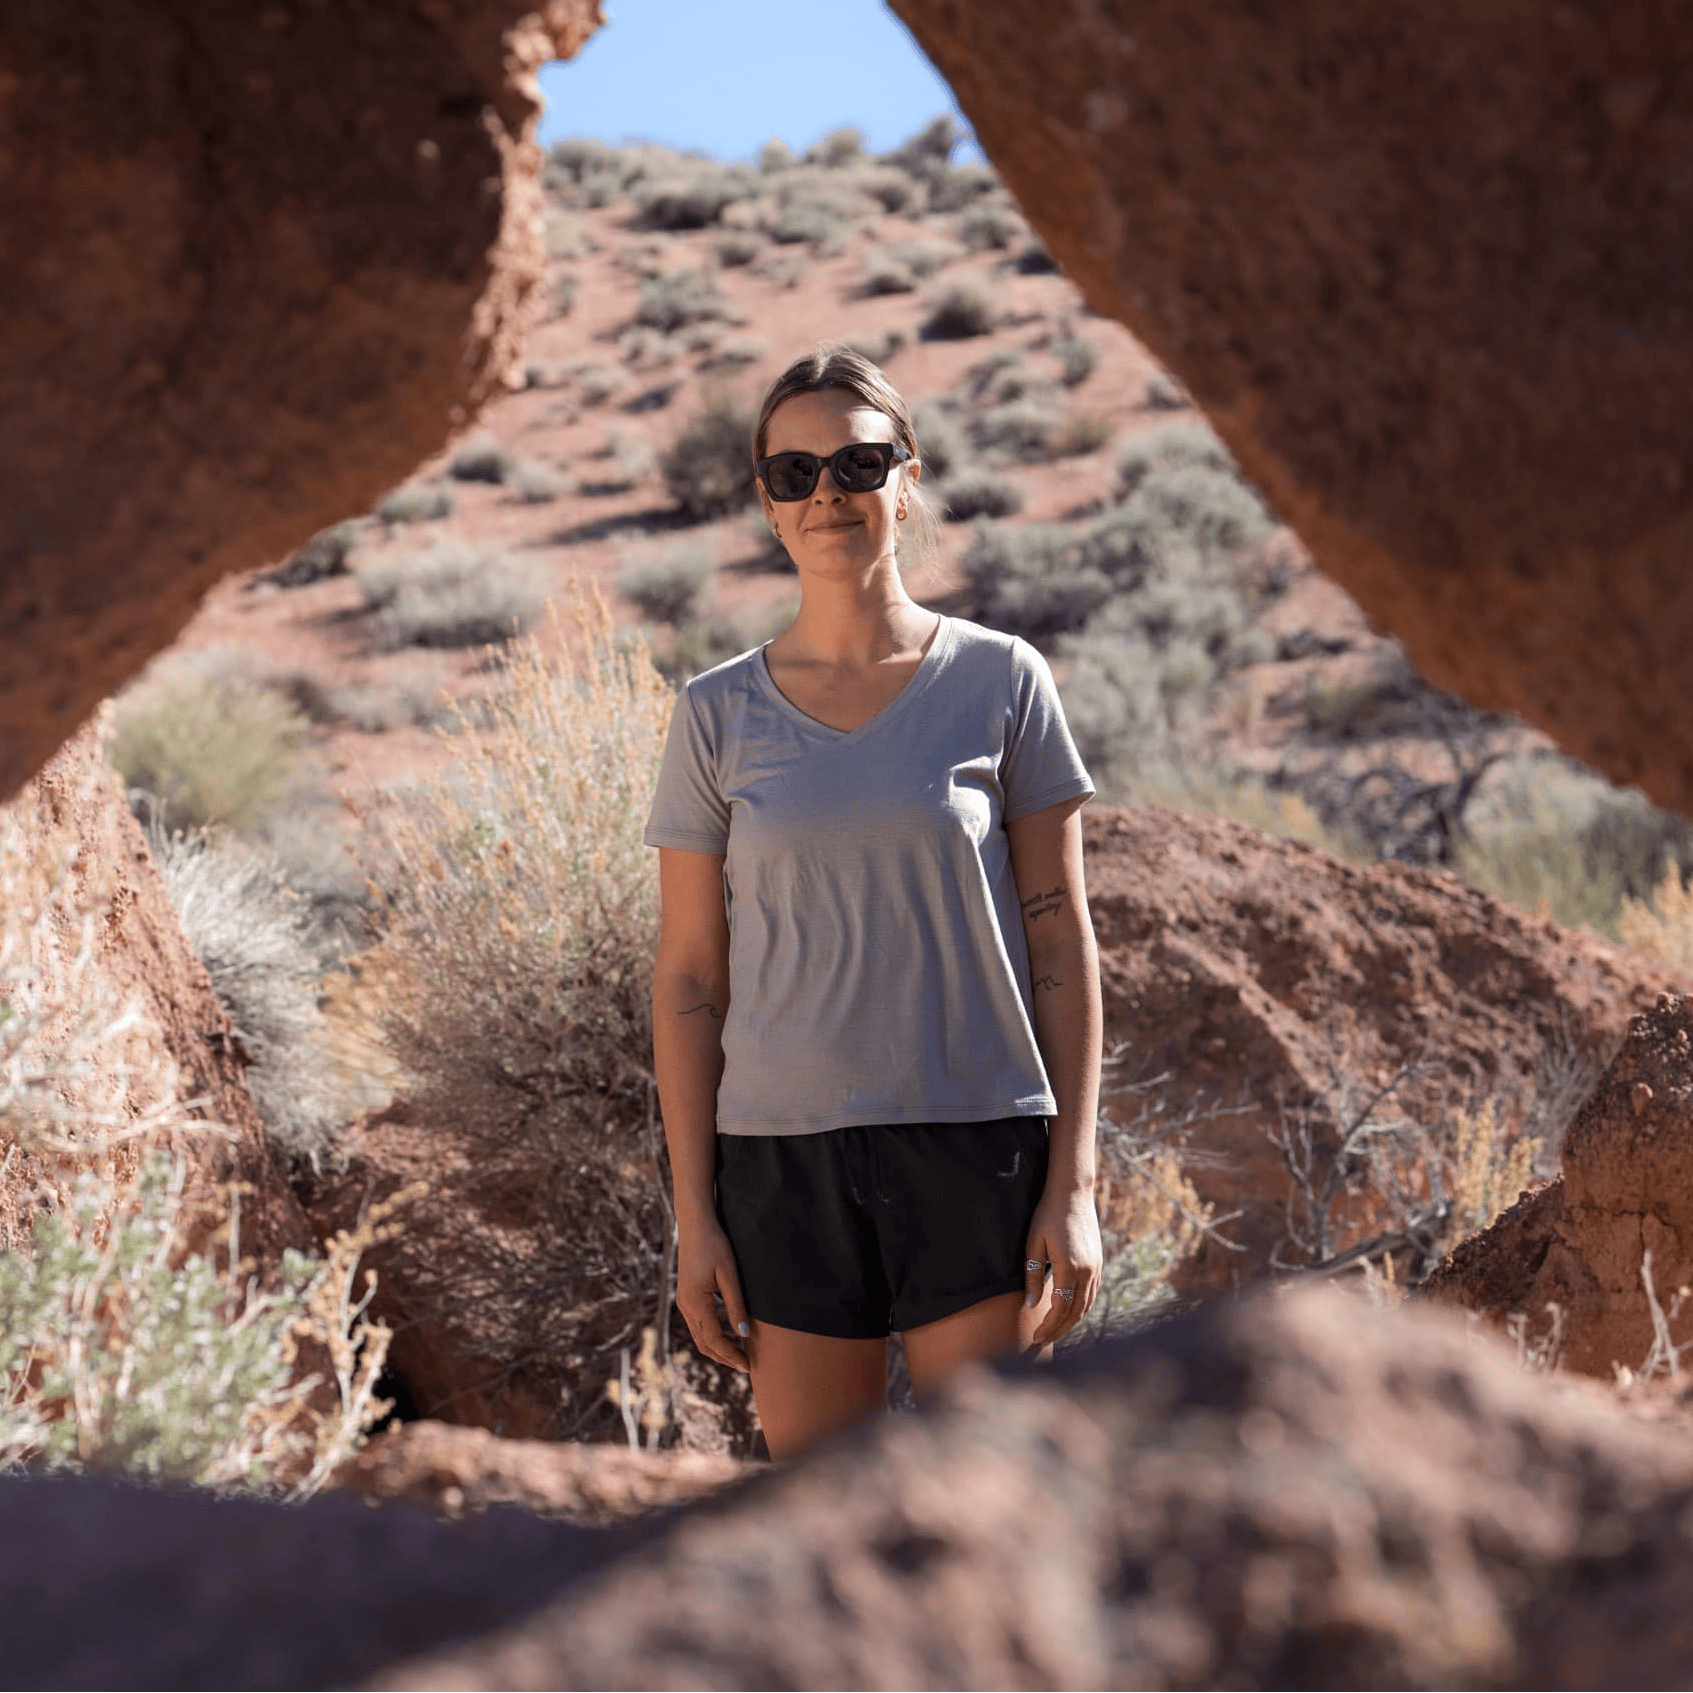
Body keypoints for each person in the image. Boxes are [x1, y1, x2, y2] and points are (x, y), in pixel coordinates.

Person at [644, 343, 1103, 1459]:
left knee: (991, 1505)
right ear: (765, 501)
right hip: (781, 1159)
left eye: (857, 464)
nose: (828, 496)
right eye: (793, 474)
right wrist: (696, 1216)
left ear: (907, 475)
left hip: (979, 1140)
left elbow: (1060, 937)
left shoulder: (1003, 681)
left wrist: (1074, 1184)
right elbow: (692, 976)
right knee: (814, 1521)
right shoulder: (715, 714)